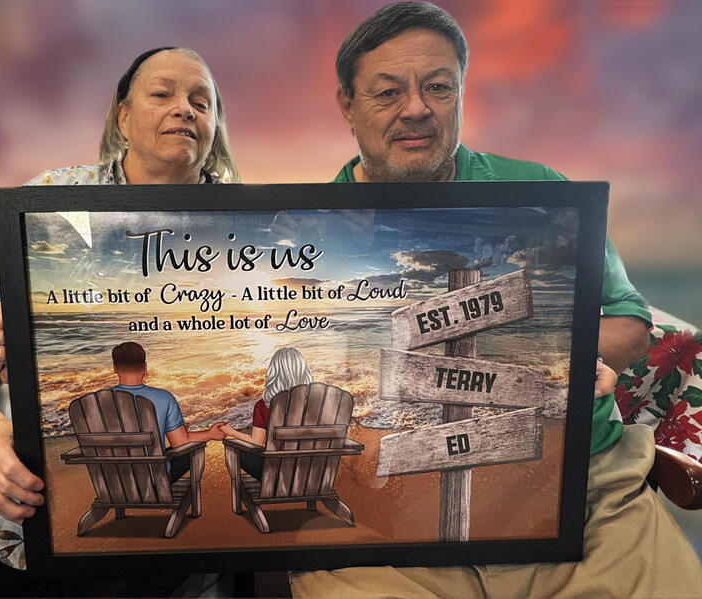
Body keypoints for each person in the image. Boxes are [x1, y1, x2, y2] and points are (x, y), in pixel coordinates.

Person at [288, 3, 702, 598]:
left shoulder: (545, 194)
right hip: (391, 508)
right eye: (387, 92)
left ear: (460, 92)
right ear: (346, 105)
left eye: (438, 87)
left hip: (585, 494)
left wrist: (552, 363)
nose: (416, 108)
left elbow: (630, 326)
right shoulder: (302, 229)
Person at [0, 46, 238, 596]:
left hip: (142, 534)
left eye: (202, 101)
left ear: (215, 124)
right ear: (123, 116)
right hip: (2, 498)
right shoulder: (49, 205)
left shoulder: (245, 223)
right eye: (162, 94)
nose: (185, 109)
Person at [111, 340, 225, 483]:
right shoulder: (163, 398)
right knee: (195, 449)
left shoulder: (95, 402)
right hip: (156, 482)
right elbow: (180, 442)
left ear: (115, 368)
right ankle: (194, 500)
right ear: (145, 368)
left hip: (113, 483)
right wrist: (209, 434)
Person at [221, 347, 313, 478]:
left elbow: (256, 442)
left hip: (275, 477)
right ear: (303, 370)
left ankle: (238, 495)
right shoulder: (319, 403)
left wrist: (232, 432)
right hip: (313, 474)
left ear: (273, 372)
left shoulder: (263, 406)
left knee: (233, 450)